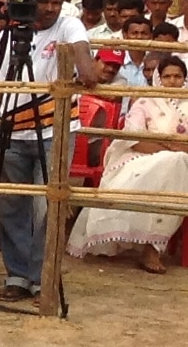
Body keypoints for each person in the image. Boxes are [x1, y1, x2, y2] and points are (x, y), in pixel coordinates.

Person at [0, 0, 97, 301]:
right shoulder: (10, 34)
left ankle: (41, 273)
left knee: (49, 203)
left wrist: (85, 67)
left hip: (54, 129)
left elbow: (84, 59)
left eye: (56, 2)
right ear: (28, 2)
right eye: (43, 1)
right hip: (13, 130)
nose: (49, 8)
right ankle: (18, 275)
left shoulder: (69, 25)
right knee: (10, 204)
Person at [66, 52, 186, 270]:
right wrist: (170, 148)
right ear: (158, 78)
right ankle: (150, 249)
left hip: (183, 166)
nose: (172, 81)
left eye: (177, 76)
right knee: (172, 163)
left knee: (177, 165)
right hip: (143, 159)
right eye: (167, 76)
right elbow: (134, 139)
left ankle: (153, 248)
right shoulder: (146, 102)